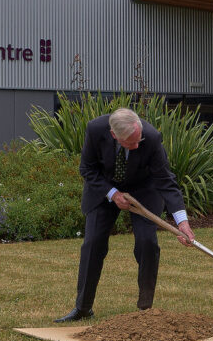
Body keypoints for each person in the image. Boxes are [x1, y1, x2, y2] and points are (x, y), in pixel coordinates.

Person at [54, 107, 195, 322]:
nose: (137, 146)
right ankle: (83, 308)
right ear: (114, 135)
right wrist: (113, 194)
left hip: (144, 190)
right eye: (131, 143)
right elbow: (87, 169)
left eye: (139, 140)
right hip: (105, 190)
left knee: (147, 242)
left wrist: (182, 222)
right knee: (92, 244)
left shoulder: (152, 137)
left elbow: (166, 180)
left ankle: (145, 309)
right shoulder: (95, 129)